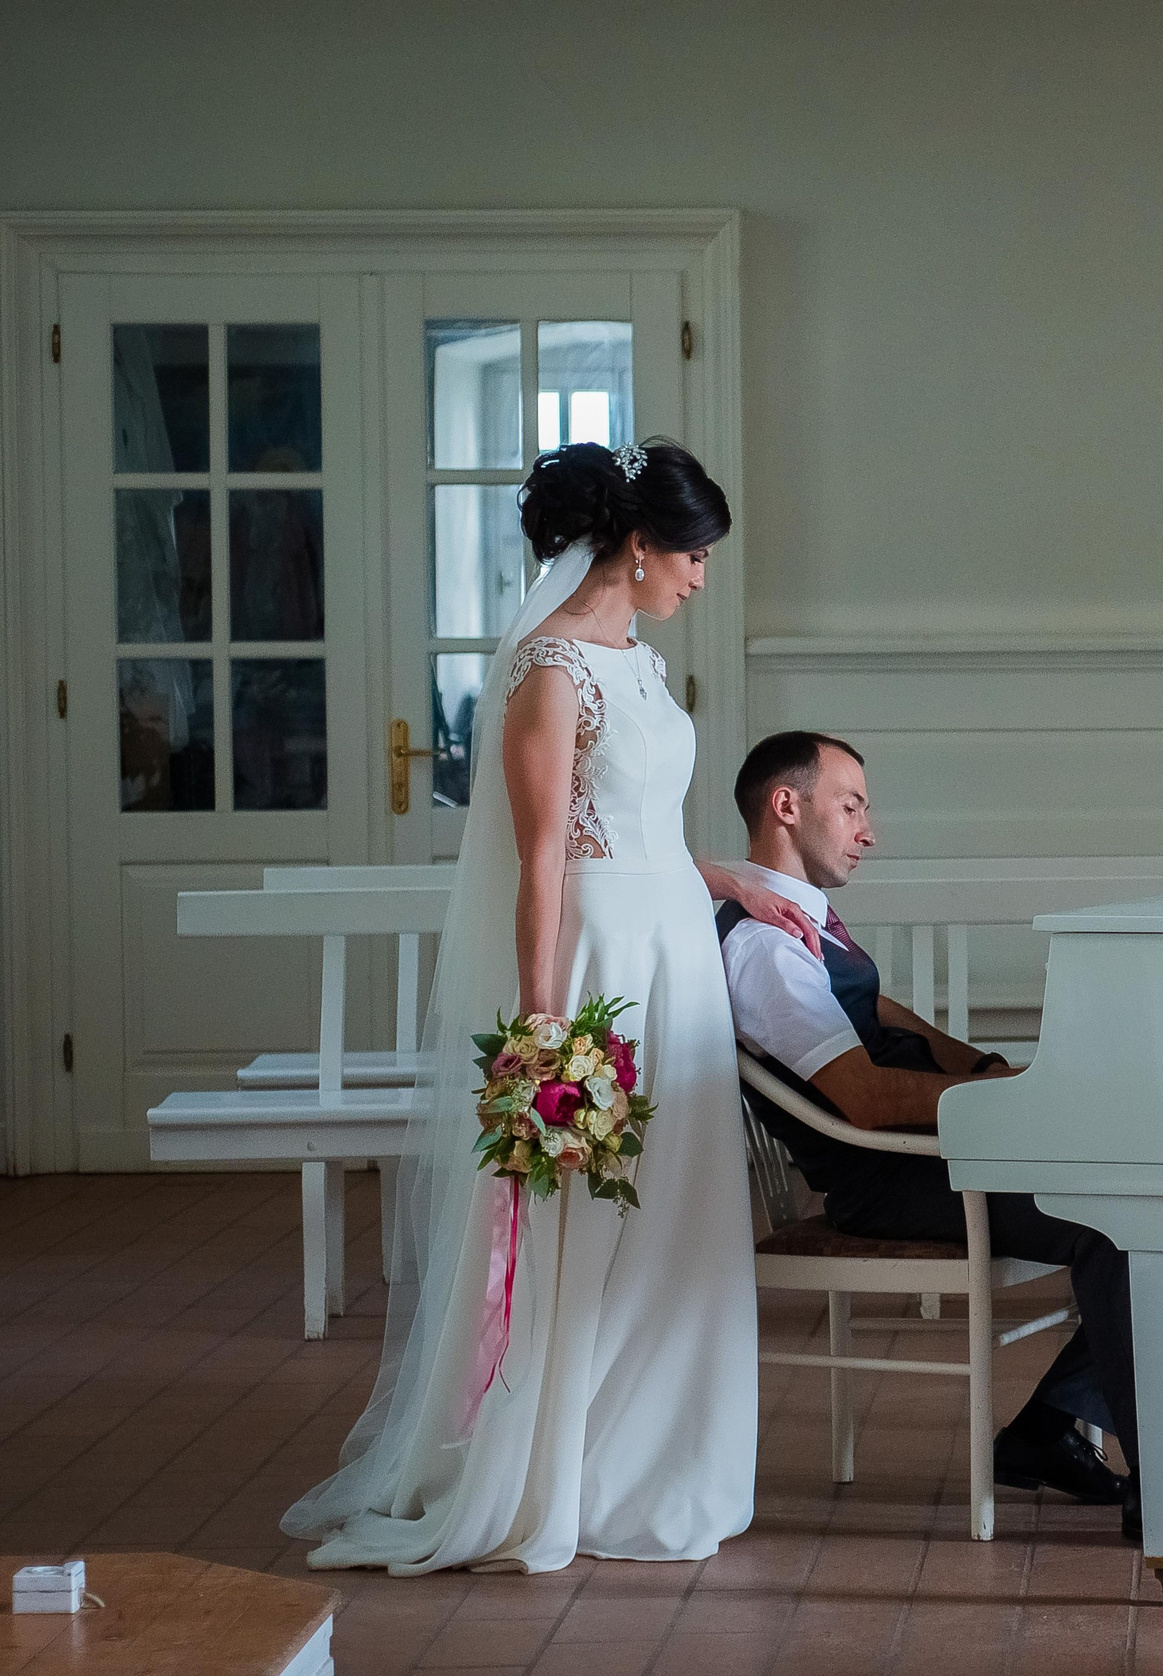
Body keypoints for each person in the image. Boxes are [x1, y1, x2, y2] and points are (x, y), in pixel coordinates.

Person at [285, 440, 813, 1573]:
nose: (702, 578)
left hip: (676, 954)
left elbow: (642, 829)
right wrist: (540, 1025)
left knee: (674, 1214)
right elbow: (541, 861)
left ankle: (653, 1469)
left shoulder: (639, 663)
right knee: (588, 1219)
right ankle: (556, 1473)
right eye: (695, 555)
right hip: (600, 965)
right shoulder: (550, 669)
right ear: (641, 545)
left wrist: (734, 881)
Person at [719, 731, 1163, 1554]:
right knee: (1120, 1225)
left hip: (939, 1152)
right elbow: (863, 1100)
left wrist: (985, 1067)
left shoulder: (799, 917)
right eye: (852, 805)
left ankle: (1047, 1429)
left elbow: (882, 1012)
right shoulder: (763, 945)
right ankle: (1161, 1489)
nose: (869, 831)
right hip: (888, 1175)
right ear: (786, 805)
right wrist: (1011, 1099)